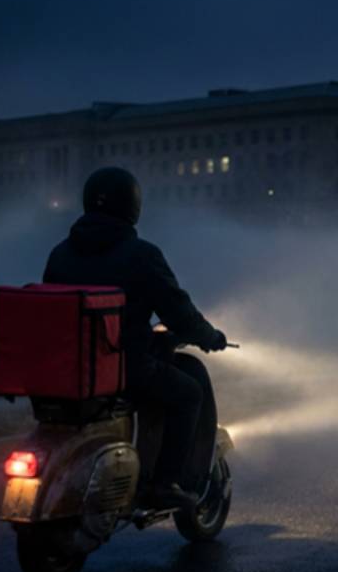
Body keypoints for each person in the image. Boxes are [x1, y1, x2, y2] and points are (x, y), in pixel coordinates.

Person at [43, 166, 227, 508]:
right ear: (133, 205)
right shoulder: (141, 255)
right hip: (126, 369)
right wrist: (210, 336)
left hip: (70, 372)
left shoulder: (60, 253)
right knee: (189, 392)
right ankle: (166, 483)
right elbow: (178, 312)